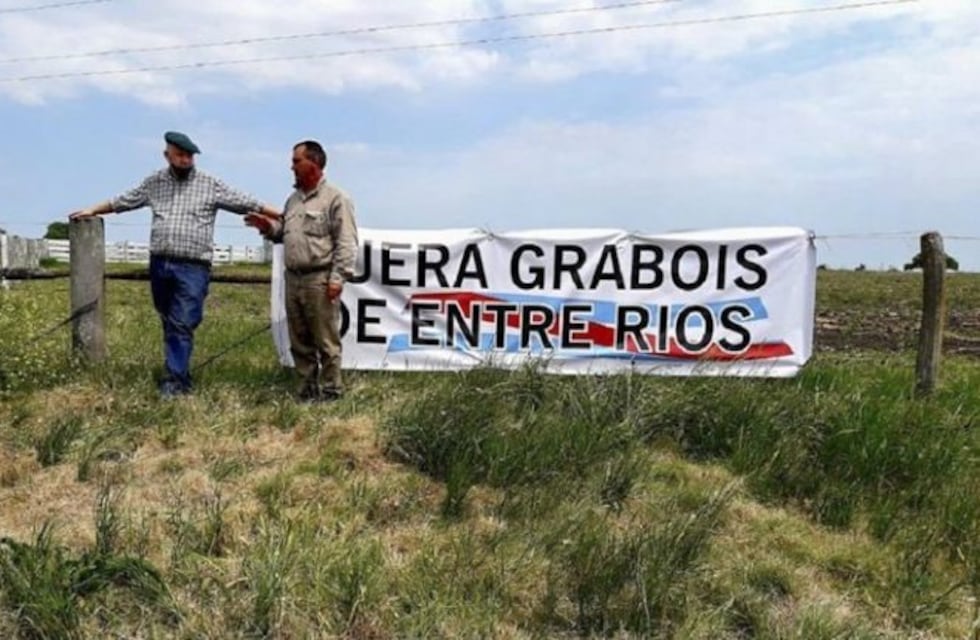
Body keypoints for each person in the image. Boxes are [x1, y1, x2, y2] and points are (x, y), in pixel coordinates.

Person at [69, 131, 281, 397]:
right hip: (160, 263)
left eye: (189, 155)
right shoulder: (154, 182)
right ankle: (179, 372)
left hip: (193, 265)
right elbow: (124, 200)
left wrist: (284, 214)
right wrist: (93, 210)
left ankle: (174, 384)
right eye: (180, 155)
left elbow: (249, 202)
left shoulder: (209, 184)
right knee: (169, 319)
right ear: (167, 155)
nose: (185, 160)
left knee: (182, 321)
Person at [246, 140, 358, 402]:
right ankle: (306, 393)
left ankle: (331, 393)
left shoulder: (336, 198)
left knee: (326, 341)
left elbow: (346, 241)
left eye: (297, 161)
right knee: (300, 341)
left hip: (319, 279)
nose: (291, 167)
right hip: (293, 278)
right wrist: (268, 228)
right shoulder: (292, 200)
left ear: (314, 163)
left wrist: (337, 278)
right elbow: (284, 234)